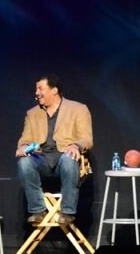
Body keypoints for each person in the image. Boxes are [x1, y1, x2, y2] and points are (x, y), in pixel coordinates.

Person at [16, 74, 93, 226]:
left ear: (54, 90)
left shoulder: (78, 109)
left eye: (40, 88)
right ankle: (38, 210)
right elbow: (25, 138)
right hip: (42, 159)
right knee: (24, 163)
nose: (37, 93)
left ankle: (67, 211)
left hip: (66, 157)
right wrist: (23, 146)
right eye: (36, 89)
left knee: (68, 158)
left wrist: (75, 145)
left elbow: (86, 139)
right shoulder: (32, 113)